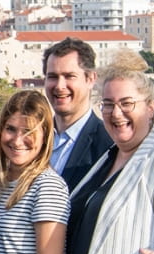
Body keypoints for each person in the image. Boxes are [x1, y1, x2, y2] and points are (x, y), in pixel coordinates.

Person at [63, 53, 154, 254]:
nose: (116, 113)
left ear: (150, 107)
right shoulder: (108, 158)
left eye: (127, 103)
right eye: (108, 104)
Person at [0, 91, 72, 254]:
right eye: (11, 129)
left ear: (45, 136)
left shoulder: (47, 186)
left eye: (28, 131)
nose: (17, 140)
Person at [41, 38, 116, 188]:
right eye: (53, 77)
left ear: (90, 79)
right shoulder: (31, 139)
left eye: (69, 76)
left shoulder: (109, 146)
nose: (60, 86)